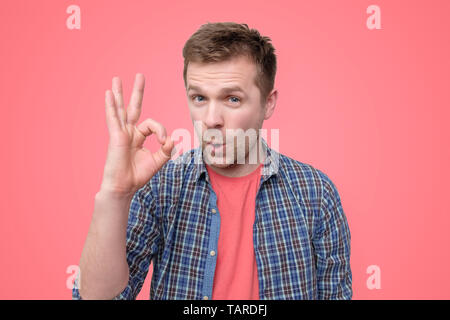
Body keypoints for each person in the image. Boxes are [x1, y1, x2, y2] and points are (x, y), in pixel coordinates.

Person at [72, 22, 352, 300]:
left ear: (268, 103)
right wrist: (114, 194)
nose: (210, 119)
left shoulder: (316, 193)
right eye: (199, 98)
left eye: (232, 99)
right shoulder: (161, 188)